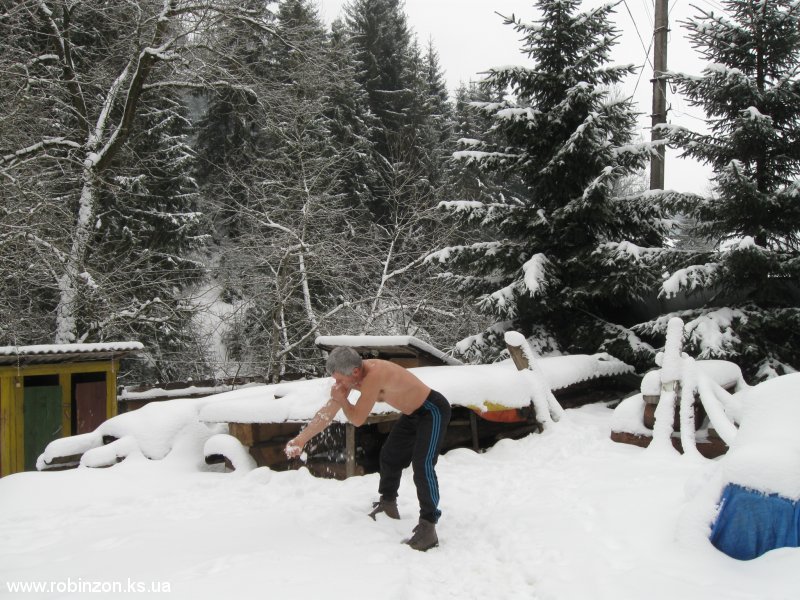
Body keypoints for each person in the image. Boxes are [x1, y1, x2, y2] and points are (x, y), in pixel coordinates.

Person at [284, 346, 451, 551]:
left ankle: (428, 526)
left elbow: (357, 419)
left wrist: (342, 399)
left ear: (354, 372)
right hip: (412, 414)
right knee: (389, 456)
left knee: (423, 465)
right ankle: (388, 504)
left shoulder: (374, 374)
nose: (337, 384)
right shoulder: (351, 377)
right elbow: (328, 412)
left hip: (432, 410)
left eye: (339, 380)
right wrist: (301, 439)